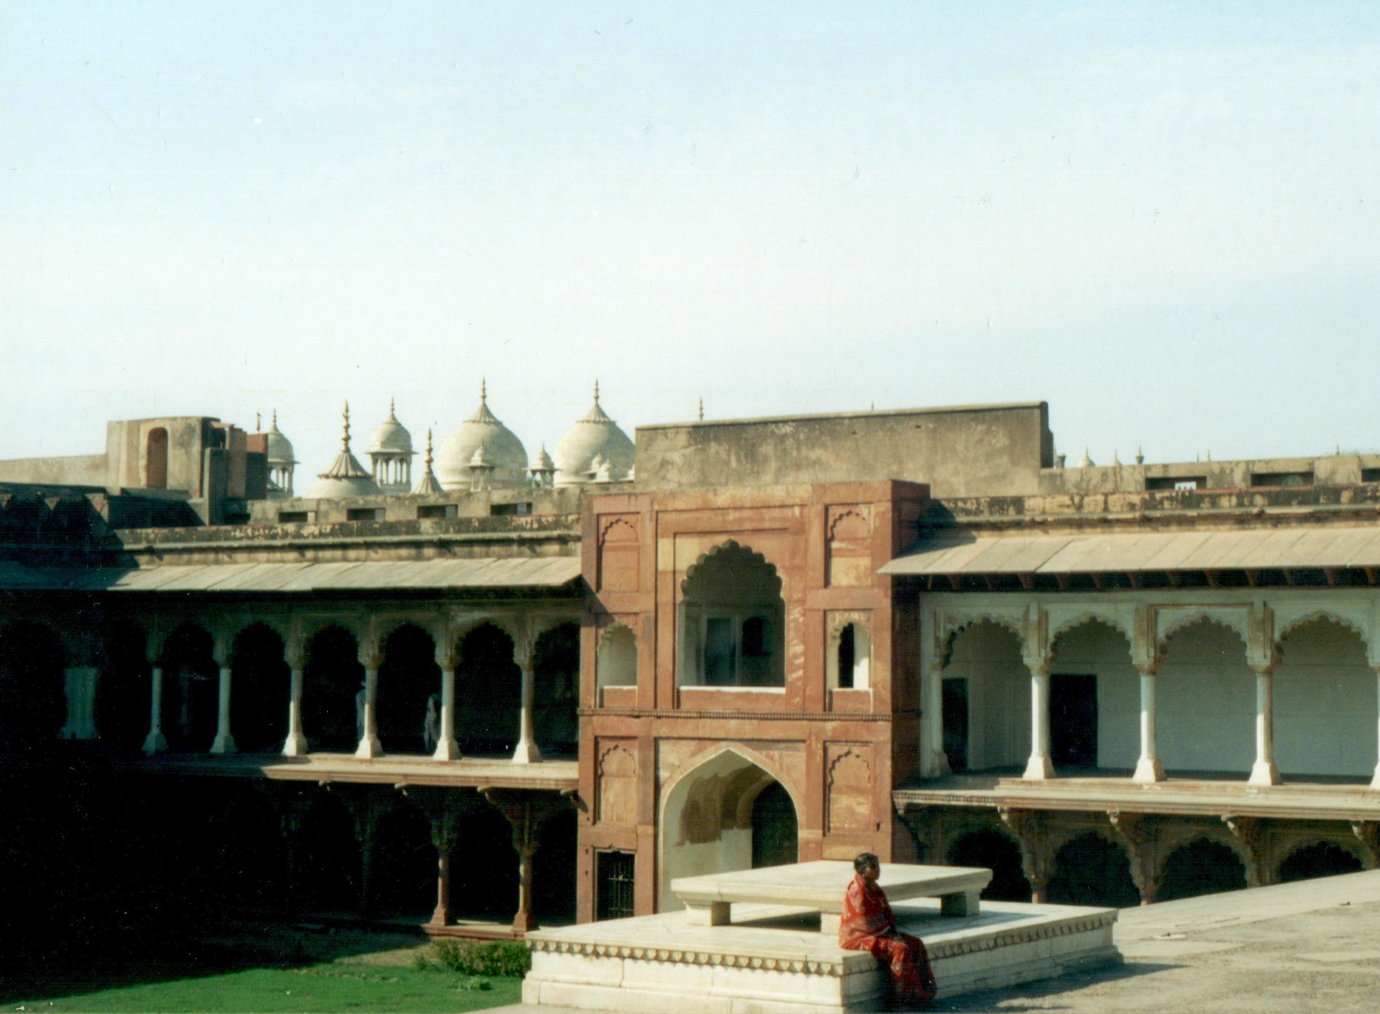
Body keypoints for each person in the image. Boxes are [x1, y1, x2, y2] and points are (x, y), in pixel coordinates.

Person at [839, 852, 937, 1009]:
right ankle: (899, 999)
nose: (878, 870)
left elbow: (886, 913)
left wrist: (893, 933)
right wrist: (890, 936)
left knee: (916, 943)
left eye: (878, 866)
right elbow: (864, 923)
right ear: (861, 871)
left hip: (880, 932)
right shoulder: (857, 889)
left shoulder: (873, 887)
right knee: (900, 948)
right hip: (858, 937)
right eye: (873, 867)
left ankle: (919, 994)